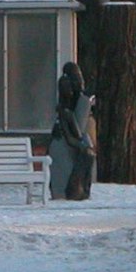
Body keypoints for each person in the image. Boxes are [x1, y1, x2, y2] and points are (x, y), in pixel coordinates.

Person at [49, 61, 95, 201]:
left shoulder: (71, 110)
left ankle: (80, 190)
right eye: (77, 78)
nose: (80, 83)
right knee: (86, 153)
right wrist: (85, 101)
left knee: (88, 154)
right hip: (65, 148)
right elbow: (76, 133)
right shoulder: (66, 113)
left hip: (70, 143)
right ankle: (74, 191)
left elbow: (78, 133)